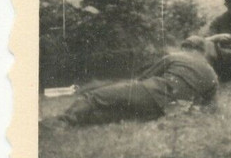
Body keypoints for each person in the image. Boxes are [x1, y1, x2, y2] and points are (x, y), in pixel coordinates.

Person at [57, 40, 219, 126]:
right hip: (164, 111)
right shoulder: (212, 74)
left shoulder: (176, 56)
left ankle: (62, 122)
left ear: (187, 48)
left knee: (93, 97)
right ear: (203, 52)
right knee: (113, 116)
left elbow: (143, 78)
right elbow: (210, 106)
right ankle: (72, 123)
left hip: (149, 92)